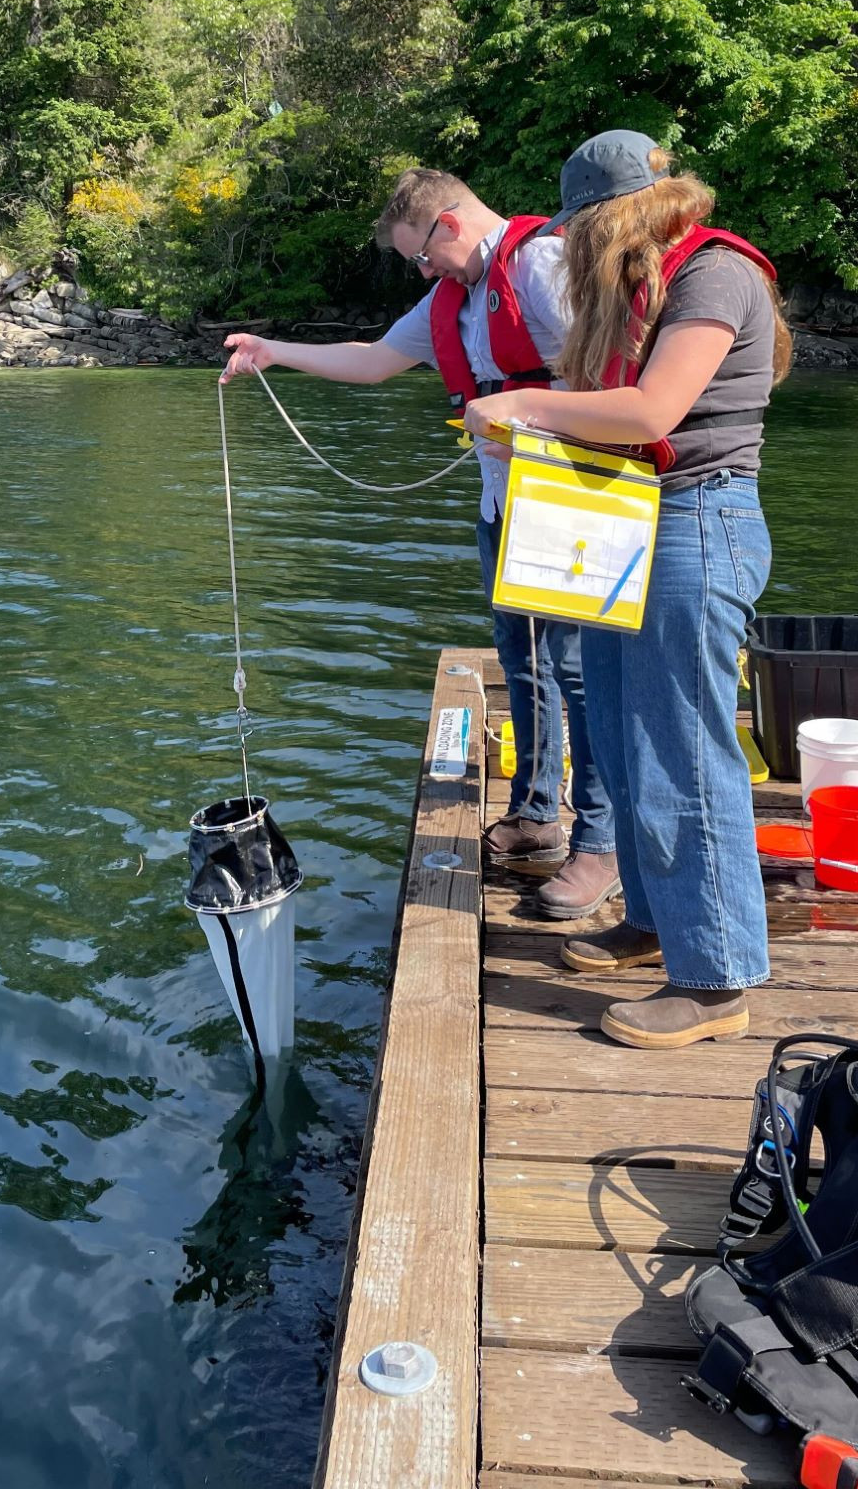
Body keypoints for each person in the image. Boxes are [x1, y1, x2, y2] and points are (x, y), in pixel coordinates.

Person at [465, 129, 793, 1050]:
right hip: (626, 523)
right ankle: (652, 921)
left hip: (698, 523)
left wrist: (524, 405)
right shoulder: (638, 283)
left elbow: (654, 412)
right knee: (616, 730)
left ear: (622, 213)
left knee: (684, 753)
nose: (573, 247)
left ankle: (716, 975)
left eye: (581, 228)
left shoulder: (716, 275)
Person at [220, 167, 617, 919]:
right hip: (506, 508)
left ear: (448, 225)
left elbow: (610, 372)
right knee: (523, 661)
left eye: (421, 257)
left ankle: (600, 842)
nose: (422, 271)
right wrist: (273, 351)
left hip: (573, 504)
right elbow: (373, 359)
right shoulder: (454, 296)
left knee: (578, 672)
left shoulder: (542, 266)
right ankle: (536, 817)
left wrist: (530, 421)